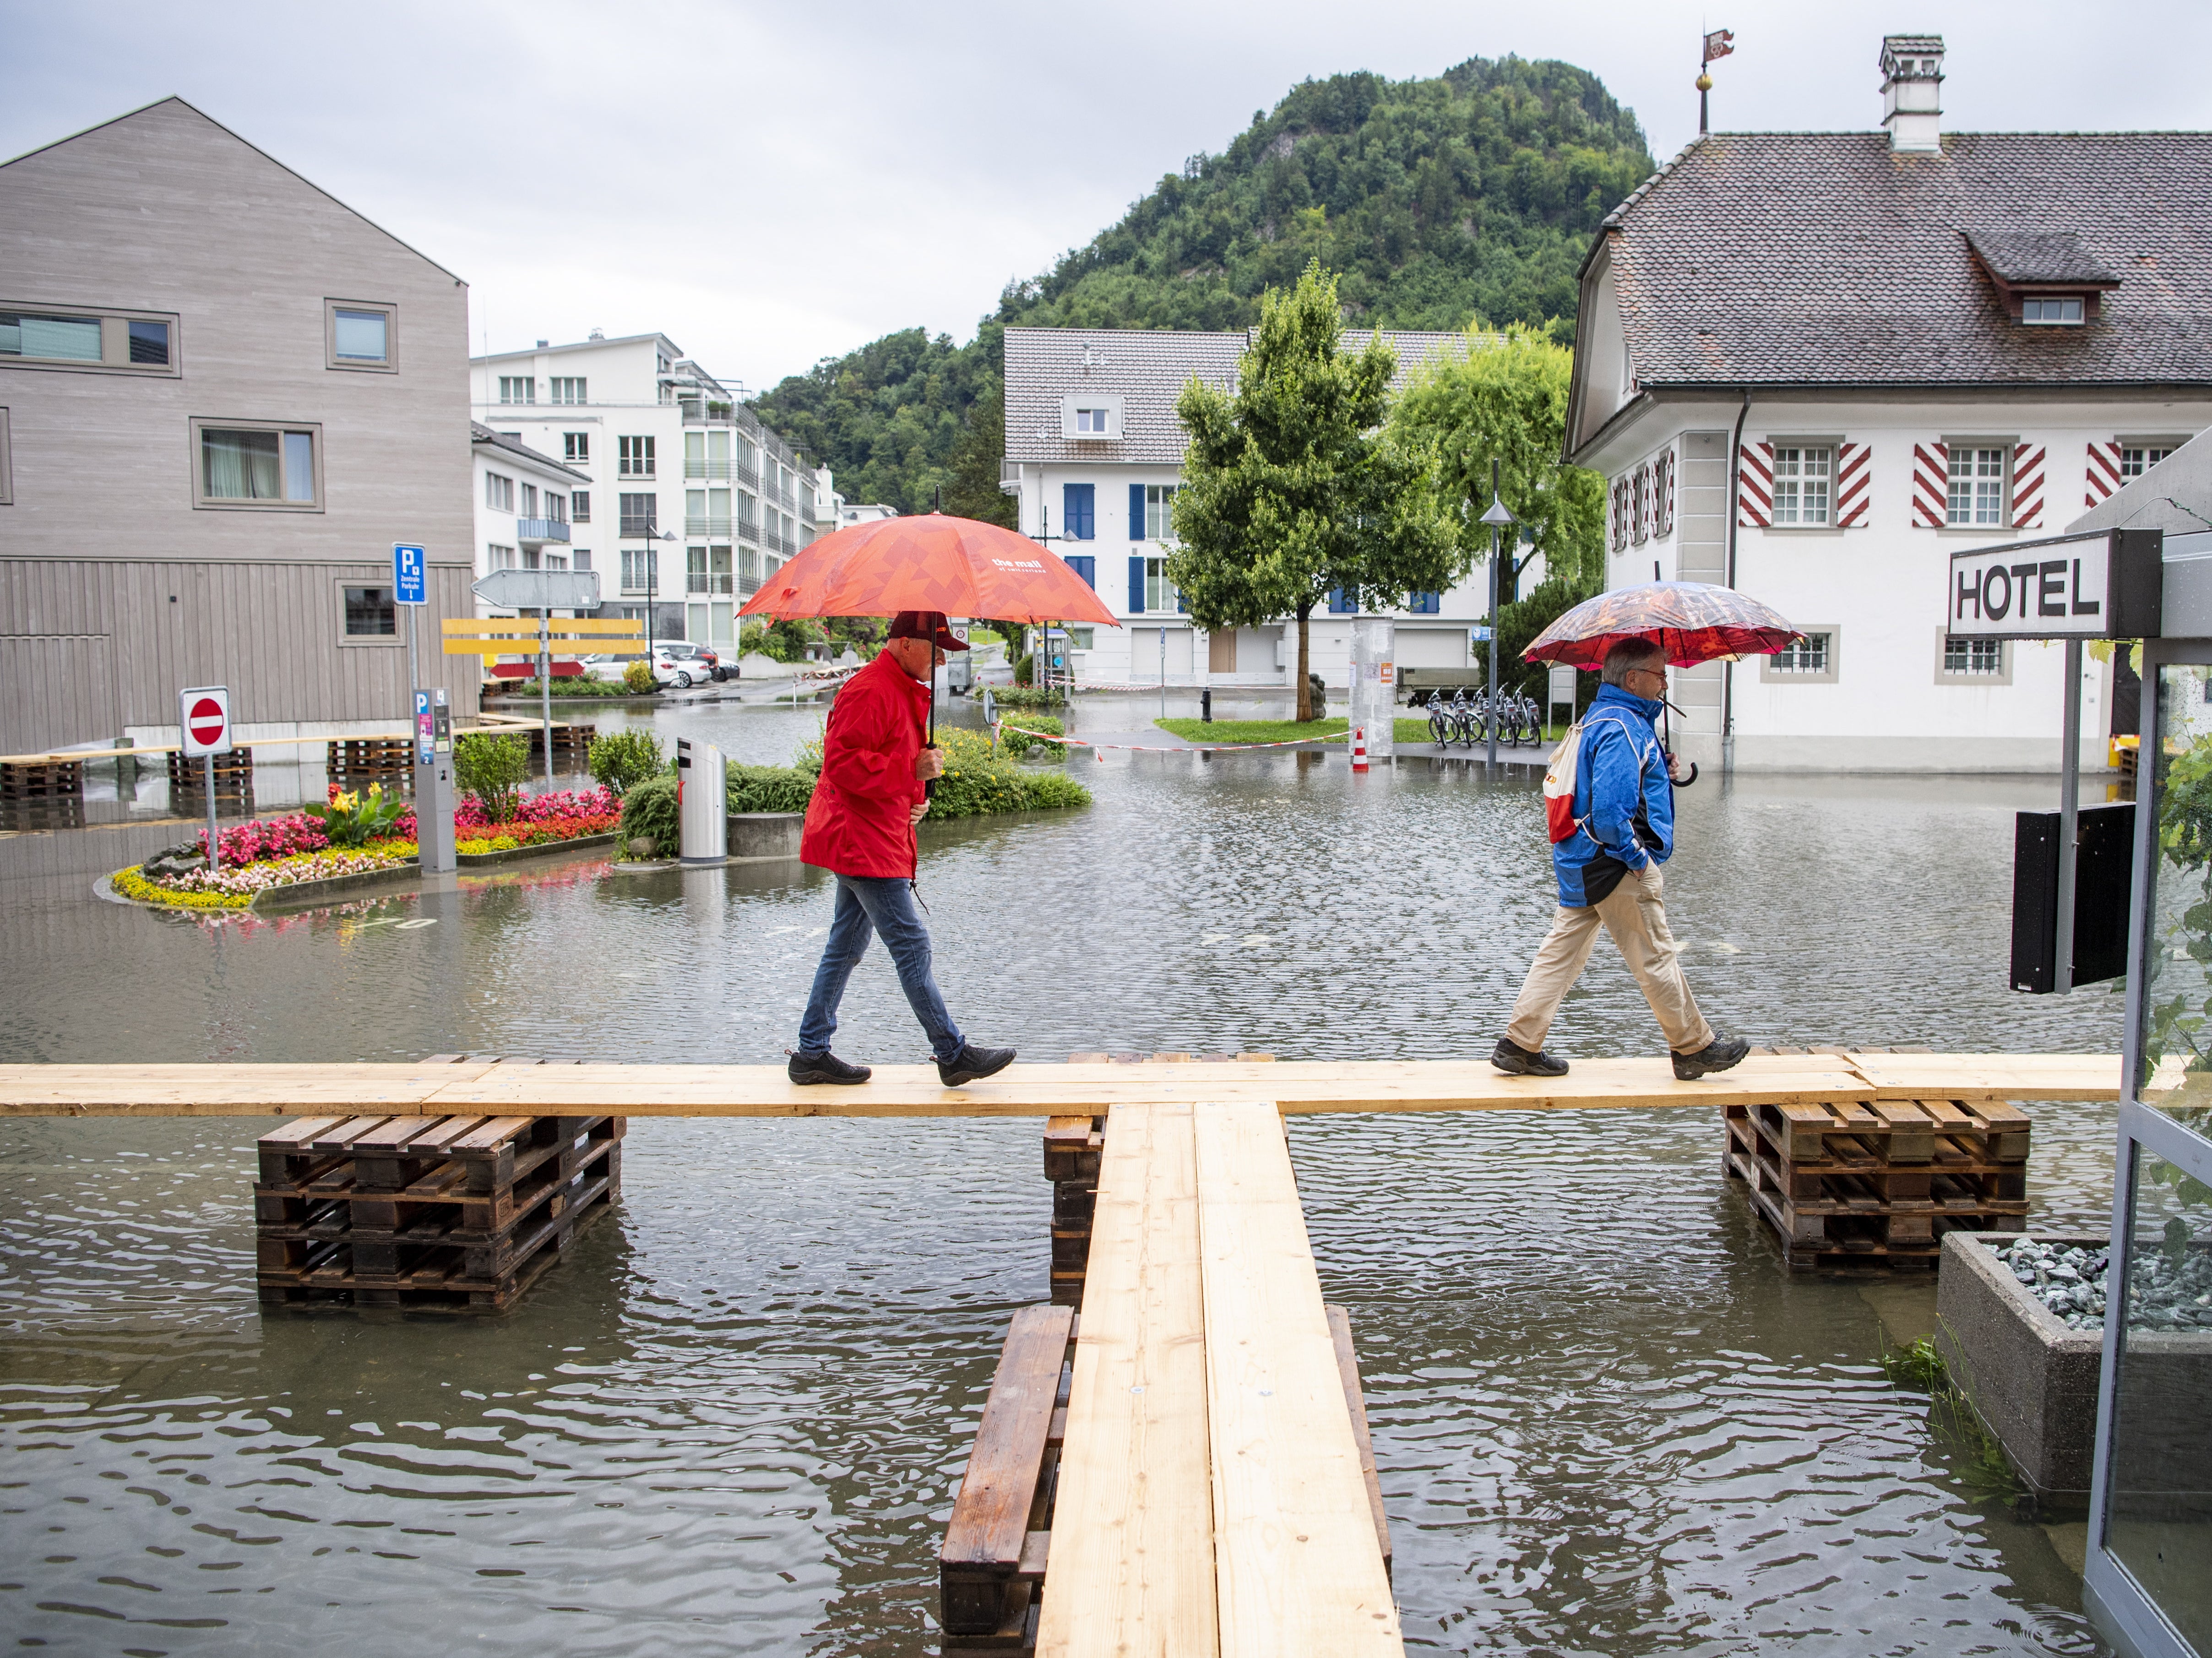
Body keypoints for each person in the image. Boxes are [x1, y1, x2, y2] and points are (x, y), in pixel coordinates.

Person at [1491, 638, 1749, 1081]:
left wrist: (1657, 768)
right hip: (1613, 864)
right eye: (1659, 673)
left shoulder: (1605, 720)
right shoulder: (1624, 726)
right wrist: (1637, 860)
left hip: (1580, 860)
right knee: (1654, 954)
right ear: (1633, 679)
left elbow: (1607, 786)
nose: (1665, 681)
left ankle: (1518, 1045)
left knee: (1561, 954)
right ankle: (1693, 1048)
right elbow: (1611, 811)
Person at [787, 610, 1016, 1089]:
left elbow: (894, 761)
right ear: (906, 643)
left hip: (873, 834)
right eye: (935, 651)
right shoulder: (871, 690)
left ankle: (811, 1053)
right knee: (910, 945)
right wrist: (910, 772)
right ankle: (951, 1053)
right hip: (862, 840)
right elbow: (843, 765)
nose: (940, 661)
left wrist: (916, 799)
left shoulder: (900, 688)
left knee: (845, 947)